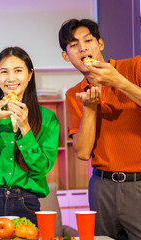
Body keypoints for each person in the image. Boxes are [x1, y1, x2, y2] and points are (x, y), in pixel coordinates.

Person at [0, 46, 60, 240]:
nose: (11, 78)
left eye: (18, 70)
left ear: (30, 74)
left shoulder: (47, 118)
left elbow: (41, 168)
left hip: (27, 202)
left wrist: (25, 128)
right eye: (4, 71)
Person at [59, 18, 141, 239]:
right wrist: (89, 107)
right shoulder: (75, 93)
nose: (83, 47)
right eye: (74, 45)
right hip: (101, 185)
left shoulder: (134, 67)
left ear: (100, 44)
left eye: (88, 40)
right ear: (66, 56)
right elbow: (84, 152)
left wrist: (119, 81)